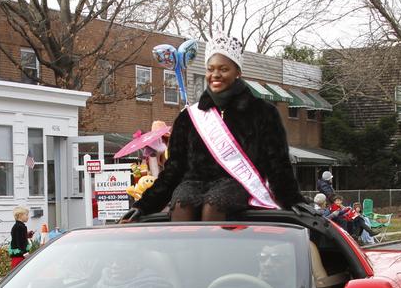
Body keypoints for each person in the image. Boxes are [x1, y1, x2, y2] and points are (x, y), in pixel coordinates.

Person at [130, 33, 305, 221]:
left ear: (237, 72)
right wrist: (144, 206)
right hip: (194, 184)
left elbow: (277, 163)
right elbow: (174, 170)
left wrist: (292, 199)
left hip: (237, 184)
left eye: (223, 69)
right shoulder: (189, 117)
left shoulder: (263, 112)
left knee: (214, 206)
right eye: (210, 69)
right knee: (182, 204)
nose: (215, 75)